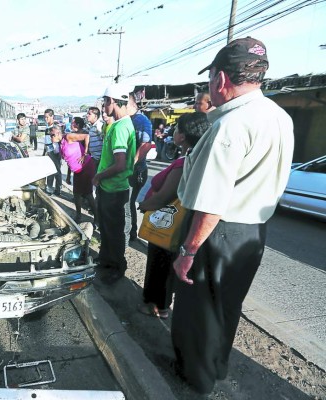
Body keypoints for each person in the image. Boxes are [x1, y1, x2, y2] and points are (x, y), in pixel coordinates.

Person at [171, 37, 294, 394]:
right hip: (253, 232)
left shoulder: (230, 126)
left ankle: (195, 379)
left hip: (218, 232)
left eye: (210, 78)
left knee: (199, 311)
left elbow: (211, 202)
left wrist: (188, 252)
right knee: (227, 306)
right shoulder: (279, 116)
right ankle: (217, 367)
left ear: (221, 79)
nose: (210, 85)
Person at [137, 112, 211, 319]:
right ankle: (161, 304)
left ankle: (157, 306)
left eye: (177, 128)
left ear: (182, 136)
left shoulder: (183, 163)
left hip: (167, 222)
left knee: (159, 266)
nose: (174, 132)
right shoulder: (194, 156)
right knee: (165, 266)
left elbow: (164, 197)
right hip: (177, 221)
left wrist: (144, 205)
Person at [92, 84, 137, 284]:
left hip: (113, 188)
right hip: (112, 188)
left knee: (114, 231)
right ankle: (105, 260)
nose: (103, 106)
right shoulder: (122, 124)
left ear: (112, 101)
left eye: (104, 101)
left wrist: (99, 176)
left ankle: (117, 267)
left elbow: (119, 164)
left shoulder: (120, 127)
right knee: (107, 228)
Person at [52, 117, 96, 223]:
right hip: (77, 171)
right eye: (50, 135)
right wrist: (68, 176)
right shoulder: (60, 143)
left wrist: (85, 154)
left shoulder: (68, 137)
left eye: (52, 135)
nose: (51, 137)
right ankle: (78, 215)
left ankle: (97, 217)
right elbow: (69, 160)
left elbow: (86, 136)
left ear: (58, 133)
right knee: (76, 194)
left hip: (86, 167)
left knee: (87, 194)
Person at [126, 95, 153, 241]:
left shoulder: (141, 120)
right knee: (126, 203)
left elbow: (146, 145)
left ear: (130, 105)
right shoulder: (127, 120)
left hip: (136, 171)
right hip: (127, 169)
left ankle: (130, 233)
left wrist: (132, 163)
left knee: (128, 203)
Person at [45, 124, 63, 196]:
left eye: (52, 135)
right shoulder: (48, 129)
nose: (51, 136)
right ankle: (50, 188)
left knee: (57, 172)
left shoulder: (57, 132)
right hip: (51, 152)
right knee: (51, 171)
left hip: (56, 154)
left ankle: (58, 189)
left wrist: (59, 155)